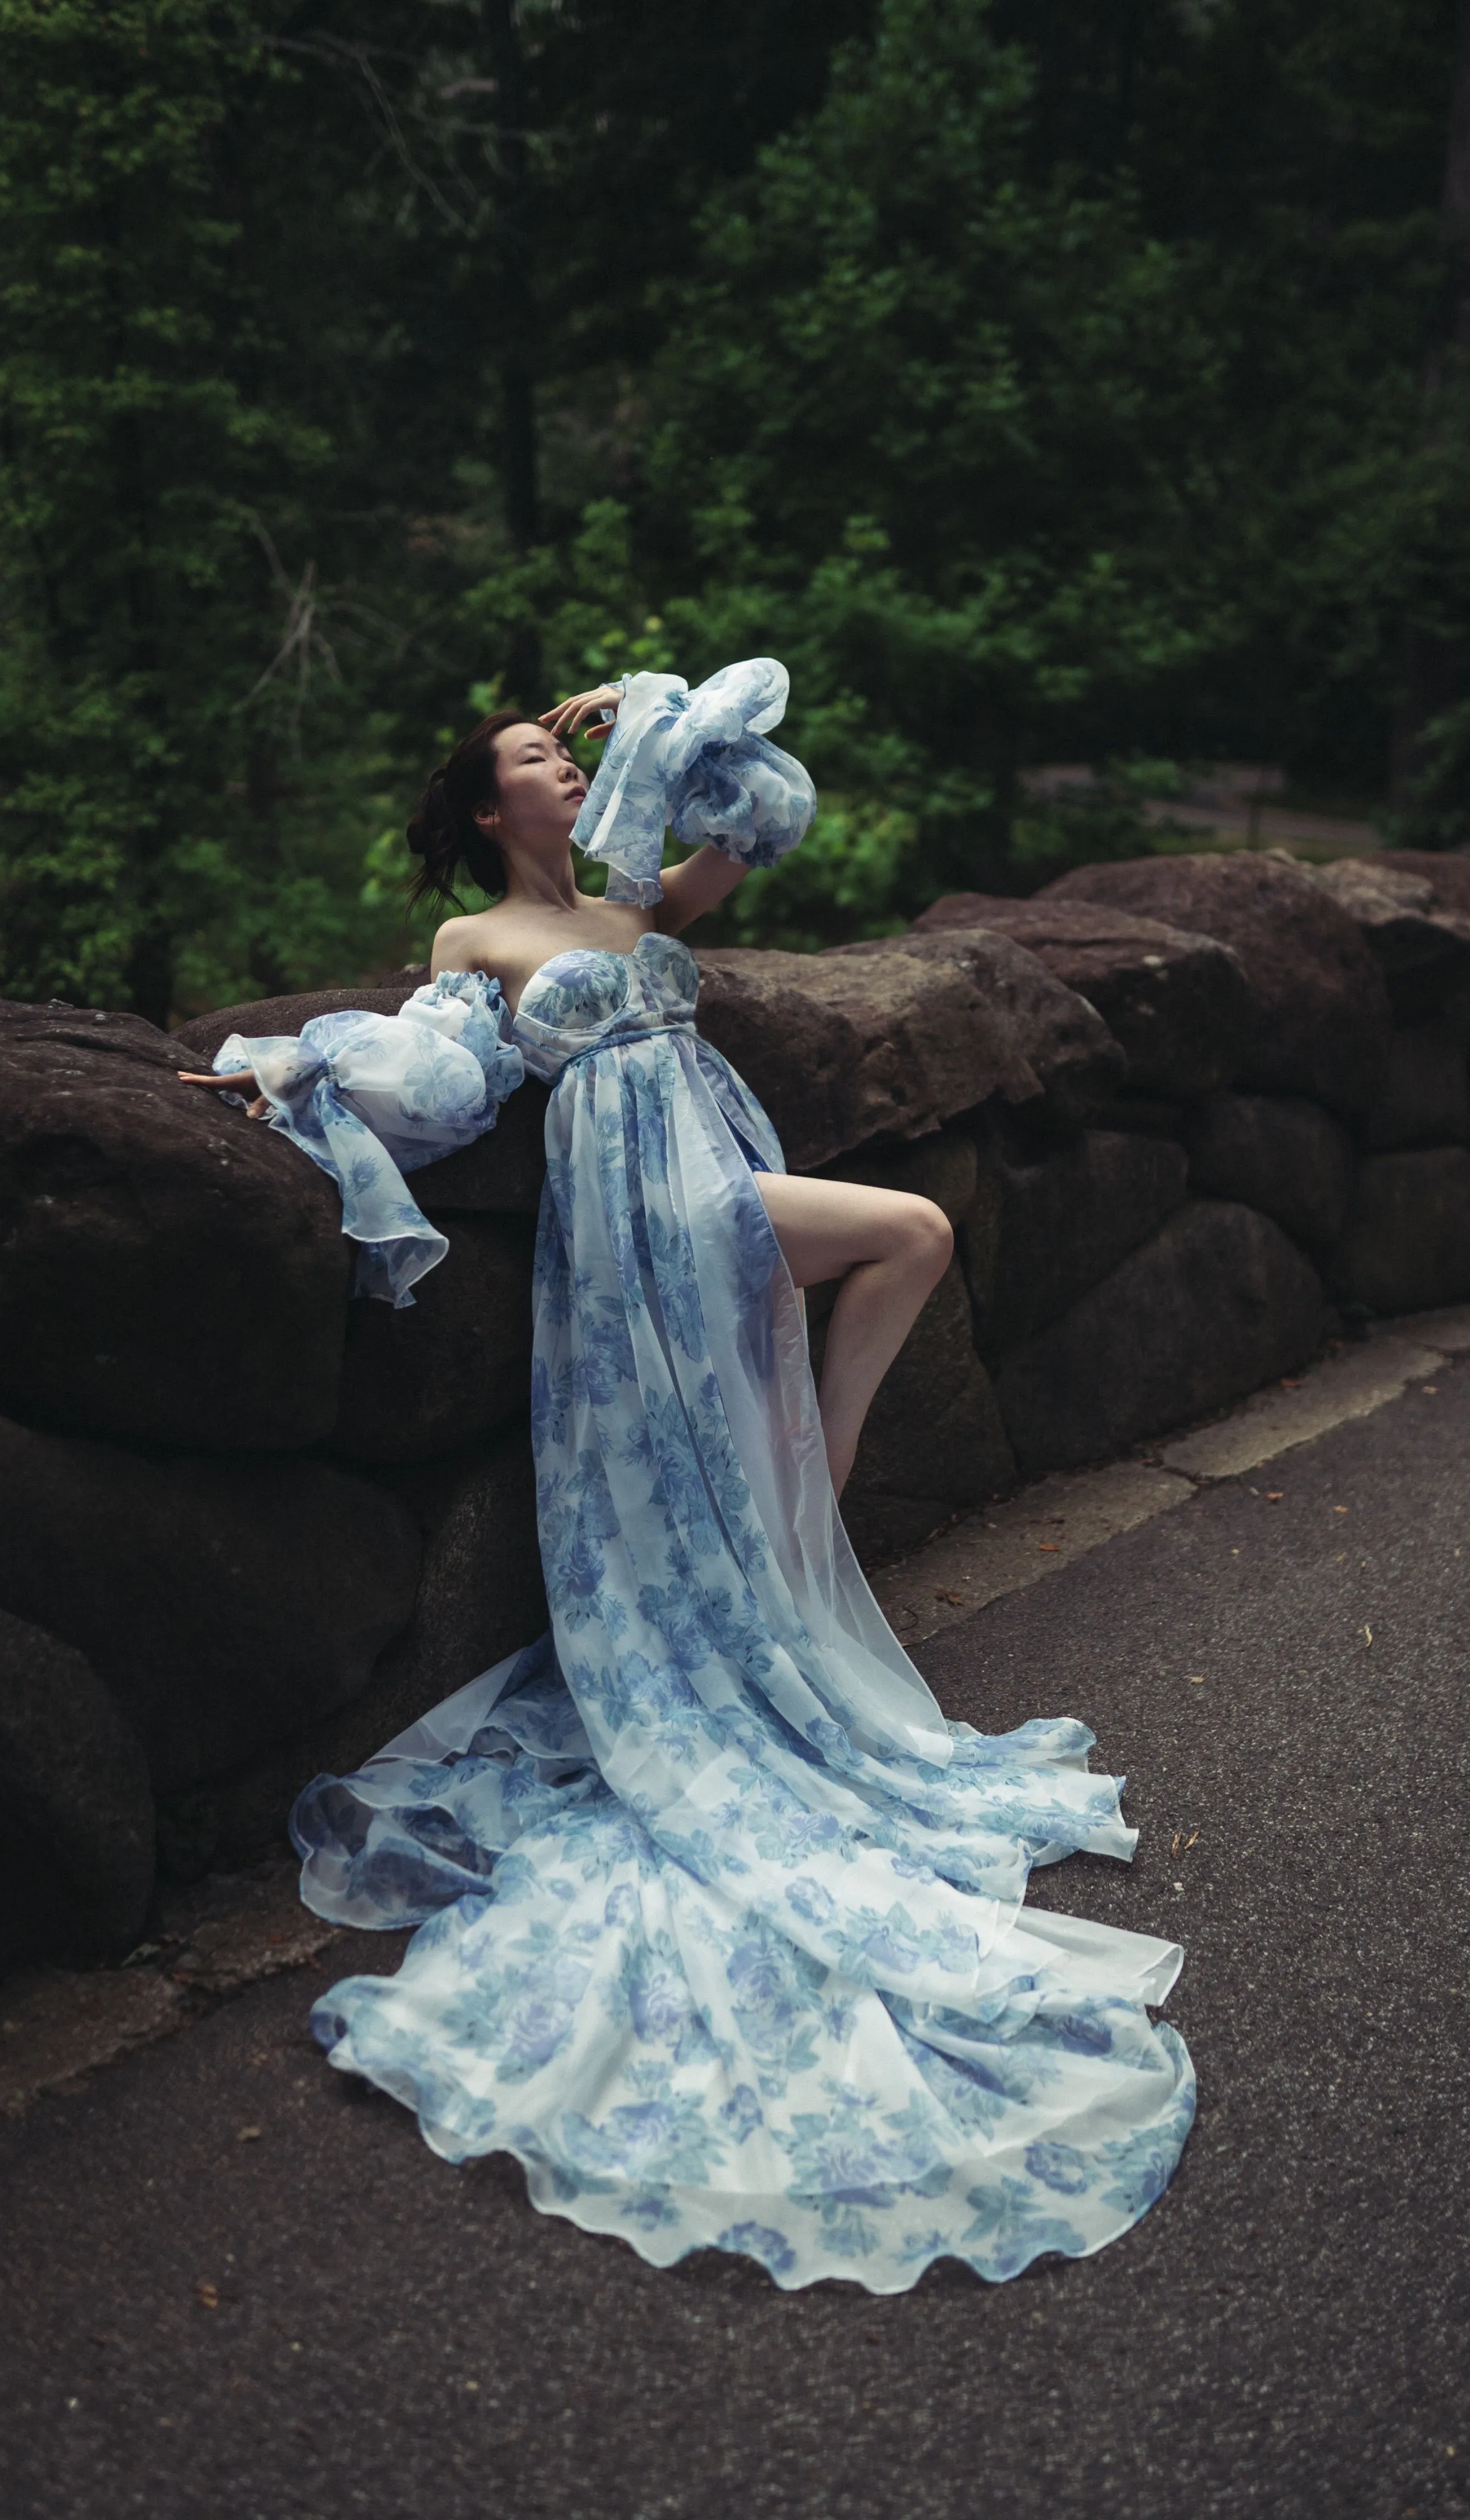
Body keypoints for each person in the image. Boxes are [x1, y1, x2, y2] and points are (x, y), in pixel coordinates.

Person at [180, 658, 1194, 2293]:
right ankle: (795, 1519)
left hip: (719, 1152)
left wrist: (657, 705)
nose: (557, 767)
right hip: (633, 1199)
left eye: (560, 751)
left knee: (908, 1238)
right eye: (530, 755)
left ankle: (808, 1498)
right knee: (912, 1229)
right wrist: (291, 1069)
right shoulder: (478, 943)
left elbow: (770, 814)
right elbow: (436, 1085)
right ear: (482, 804)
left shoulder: (646, 893)